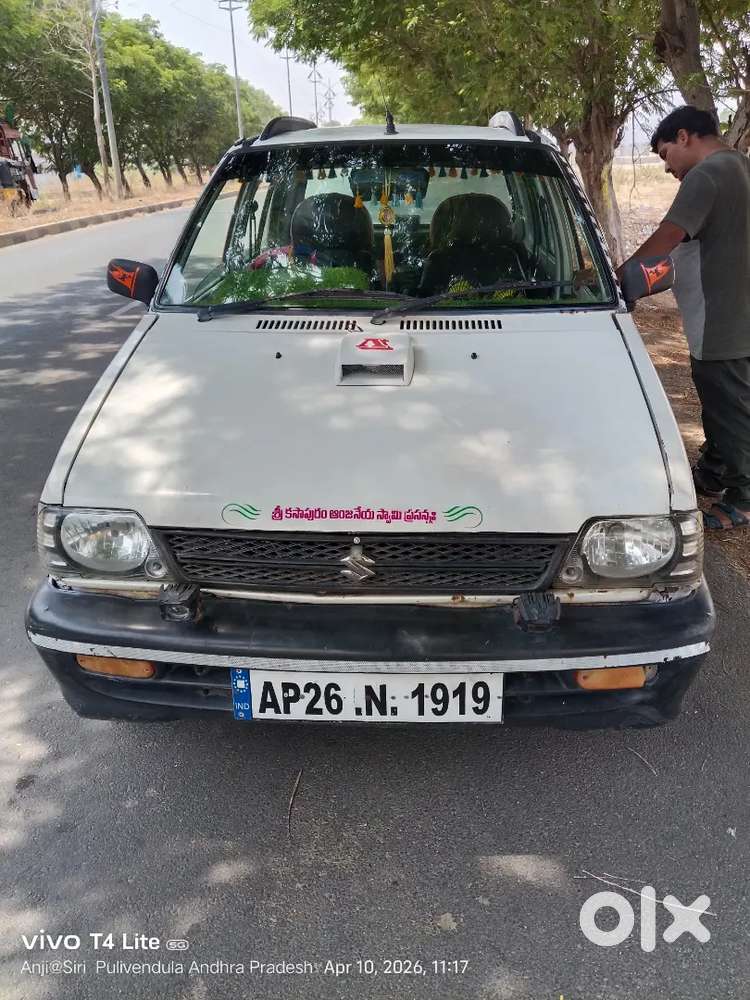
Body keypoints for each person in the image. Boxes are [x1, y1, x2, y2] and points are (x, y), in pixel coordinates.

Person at [617, 105, 750, 529]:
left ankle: (743, 498)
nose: (667, 168)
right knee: (727, 407)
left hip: (721, 321)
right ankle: (713, 473)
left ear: (684, 136)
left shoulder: (706, 177)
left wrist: (614, 281)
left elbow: (665, 240)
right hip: (740, 315)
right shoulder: (741, 167)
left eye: (664, 154)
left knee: (727, 409)